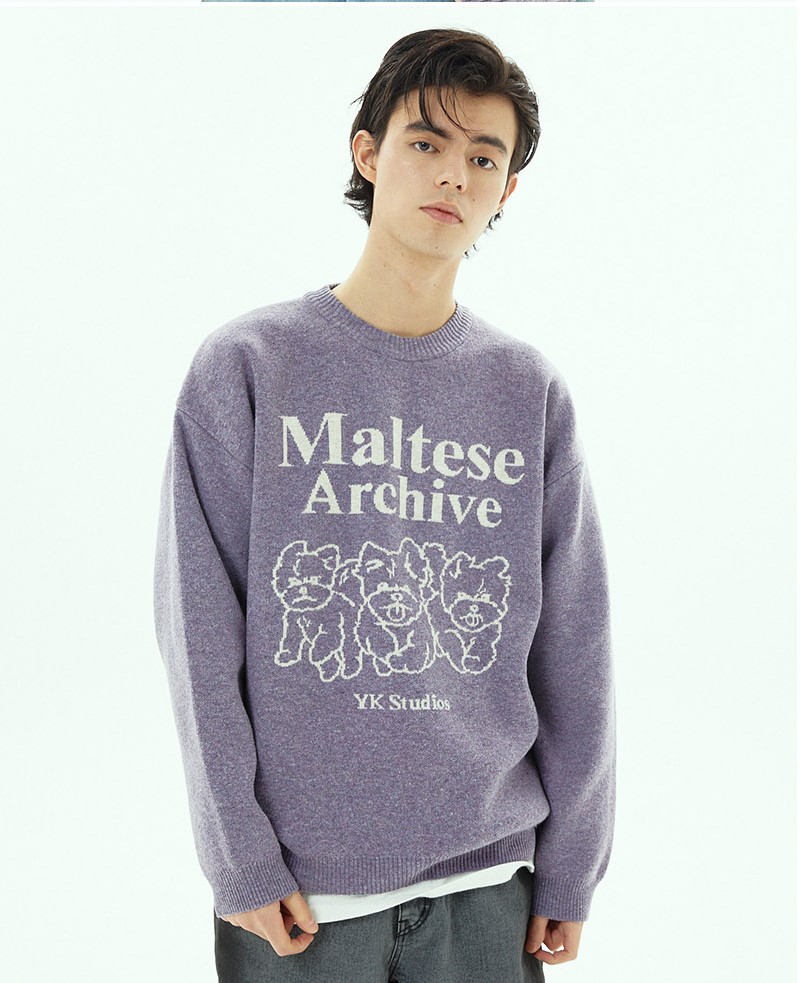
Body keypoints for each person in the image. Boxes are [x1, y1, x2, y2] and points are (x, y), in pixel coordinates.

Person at [153, 27, 616, 983]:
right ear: (367, 153)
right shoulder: (249, 366)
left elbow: (576, 644)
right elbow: (197, 628)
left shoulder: (527, 391)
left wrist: (574, 861)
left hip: (491, 892)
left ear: (506, 190)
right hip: (301, 901)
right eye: (426, 142)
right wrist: (236, 854)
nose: (454, 174)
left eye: (483, 157)